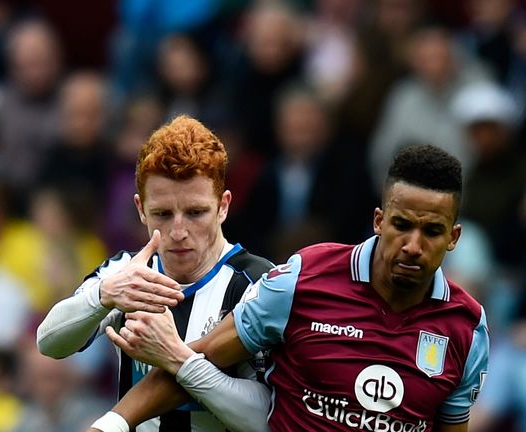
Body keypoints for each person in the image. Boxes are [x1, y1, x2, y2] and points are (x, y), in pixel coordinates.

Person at [94, 144, 490, 432]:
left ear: (453, 237)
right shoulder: (306, 278)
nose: (413, 246)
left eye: (432, 231)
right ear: (378, 220)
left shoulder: (466, 328)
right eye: (402, 225)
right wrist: (111, 424)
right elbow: (204, 358)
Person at [37, 115, 274, 431]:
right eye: (162, 214)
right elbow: (50, 343)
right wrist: (103, 296)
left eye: (195, 212)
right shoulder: (125, 273)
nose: (178, 231)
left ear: (223, 206)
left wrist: (179, 361)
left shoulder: (259, 283)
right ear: (140, 209)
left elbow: (268, 418)